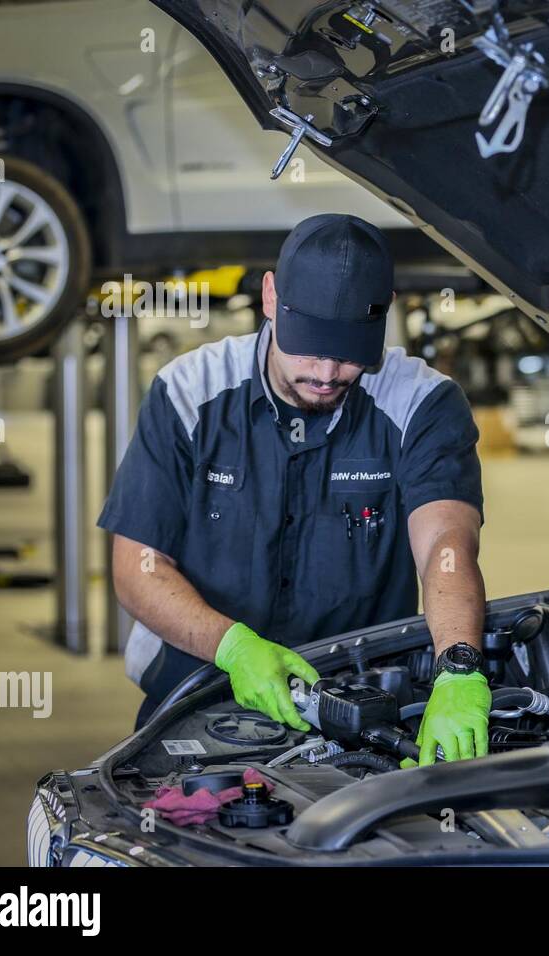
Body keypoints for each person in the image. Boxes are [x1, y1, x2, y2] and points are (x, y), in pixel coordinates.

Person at [99, 214, 490, 765]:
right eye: (309, 347)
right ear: (269, 296)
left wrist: (459, 666)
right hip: (198, 695)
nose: (328, 371)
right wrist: (231, 648)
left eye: (350, 352)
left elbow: (445, 544)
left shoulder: (422, 403)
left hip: (359, 711)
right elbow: (136, 565)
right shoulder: (187, 393)